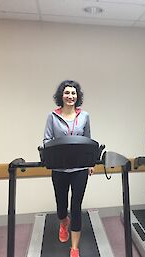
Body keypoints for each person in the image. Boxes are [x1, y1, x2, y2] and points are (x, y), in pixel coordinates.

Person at [43, 80, 94, 257]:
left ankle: (74, 248)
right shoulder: (52, 116)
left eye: (73, 93)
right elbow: (46, 141)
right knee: (61, 206)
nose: (70, 96)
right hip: (59, 169)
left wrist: (90, 163)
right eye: (67, 93)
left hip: (80, 169)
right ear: (61, 96)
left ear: (77, 96)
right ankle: (63, 222)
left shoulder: (85, 116)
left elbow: (89, 141)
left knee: (76, 206)